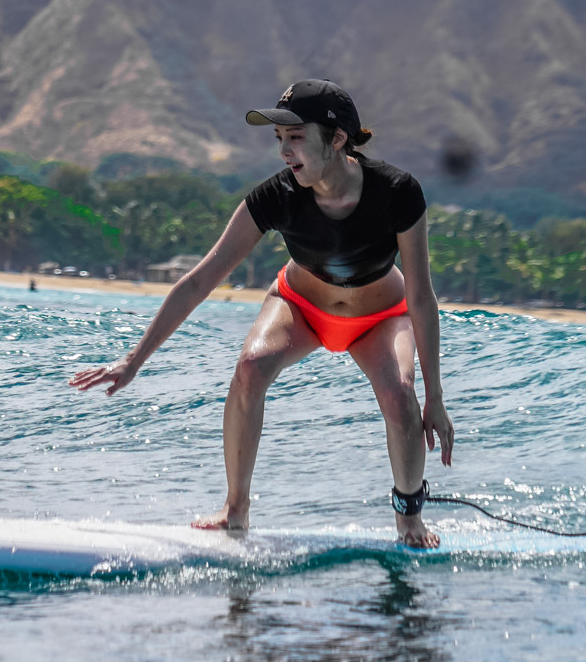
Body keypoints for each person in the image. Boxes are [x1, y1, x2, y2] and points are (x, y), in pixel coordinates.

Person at [70, 80, 454, 547]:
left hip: (380, 317)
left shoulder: (397, 192)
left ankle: (409, 517)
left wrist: (435, 396)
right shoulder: (277, 197)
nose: (284, 152)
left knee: (399, 395)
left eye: (295, 138)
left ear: (336, 139)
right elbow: (199, 280)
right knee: (250, 369)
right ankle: (235, 509)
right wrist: (134, 360)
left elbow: (421, 297)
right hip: (302, 307)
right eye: (279, 140)